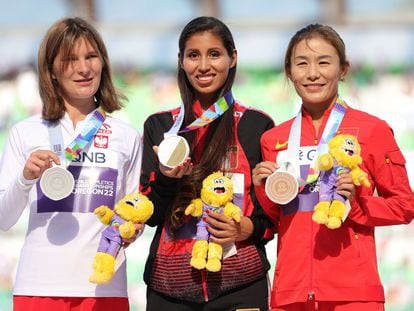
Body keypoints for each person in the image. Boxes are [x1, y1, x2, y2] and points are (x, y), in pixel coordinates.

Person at [252, 23, 414, 311]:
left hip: (354, 294)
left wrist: (357, 203)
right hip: (292, 293)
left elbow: (404, 206)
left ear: (343, 69)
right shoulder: (273, 140)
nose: (312, 73)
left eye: (323, 62)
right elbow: (278, 219)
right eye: (302, 63)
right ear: (289, 72)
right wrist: (263, 188)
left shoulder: (372, 130)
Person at [0, 17, 142, 310]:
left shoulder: (126, 134)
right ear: (51, 70)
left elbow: (132, 211)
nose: (84, 68)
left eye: (91, 56)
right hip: (38, 287)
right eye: (70, 59)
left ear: (103, 63)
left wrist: (133, 229)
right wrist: (25, 178)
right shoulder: (25, 131)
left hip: (105, 288)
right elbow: (3, 219)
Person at [140, 16, 274, 310]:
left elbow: (271, 214)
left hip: (241, 284)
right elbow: (149, 215)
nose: (203, 66)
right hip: (170, 287)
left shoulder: (256, 124)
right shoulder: (160, 127)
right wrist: (166, 179)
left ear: (232, 58)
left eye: (214, 54)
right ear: (181, 61)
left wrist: (246, 228)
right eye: (193, 55)